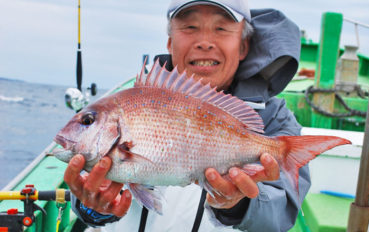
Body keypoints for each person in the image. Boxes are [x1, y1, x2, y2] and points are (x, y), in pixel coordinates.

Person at [64, 0, 311, 231]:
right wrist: (93, 205)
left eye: (221, 28)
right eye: (190, 27)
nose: (205, 42)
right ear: (170, 42)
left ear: (244, 45)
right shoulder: (130, 103)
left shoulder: (274, 118)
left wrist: (238, 204)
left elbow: (284, 210)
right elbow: (87, 191)